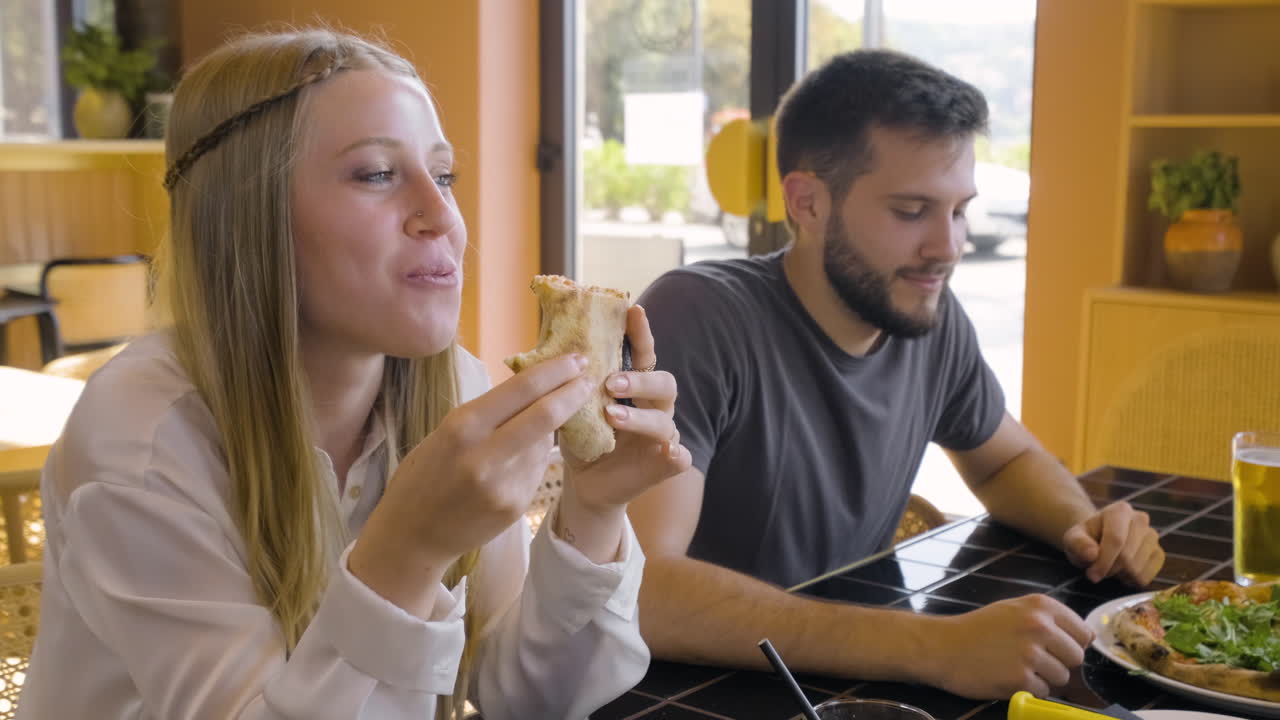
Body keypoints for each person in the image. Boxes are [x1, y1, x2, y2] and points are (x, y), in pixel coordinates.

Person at [19, 29, 691, 720]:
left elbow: (523, 695)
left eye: (444, 176)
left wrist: (594, 509)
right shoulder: (143, 441)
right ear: (248, 215)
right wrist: (409, 551)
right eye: (376, 174)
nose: (443, 217)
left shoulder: (453, 388)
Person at [628, 49, 1166, 699]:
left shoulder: (926, 314)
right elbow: (640, 590)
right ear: (807, 202)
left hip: (844, 681)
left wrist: (1083, 528)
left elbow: (1006, 459)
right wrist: (933, 646)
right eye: (912, 211)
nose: (948, 247)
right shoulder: (697, 315)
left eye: (959, 210)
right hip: (692, 690)